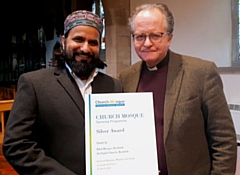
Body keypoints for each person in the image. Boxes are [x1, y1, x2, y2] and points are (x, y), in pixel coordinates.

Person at [118, 3, 237, 175]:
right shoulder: (125, 78)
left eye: (155, 35)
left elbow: (224, 140)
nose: (147, 43)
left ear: (169, 38)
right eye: (140, 36)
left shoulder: (201, 73)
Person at [3, 10, 122, 175]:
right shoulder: (35, 84)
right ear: (65, 41)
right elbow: (16, 145)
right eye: (78, 39)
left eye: (93, 42)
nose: (85, 48)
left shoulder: (114, 86)